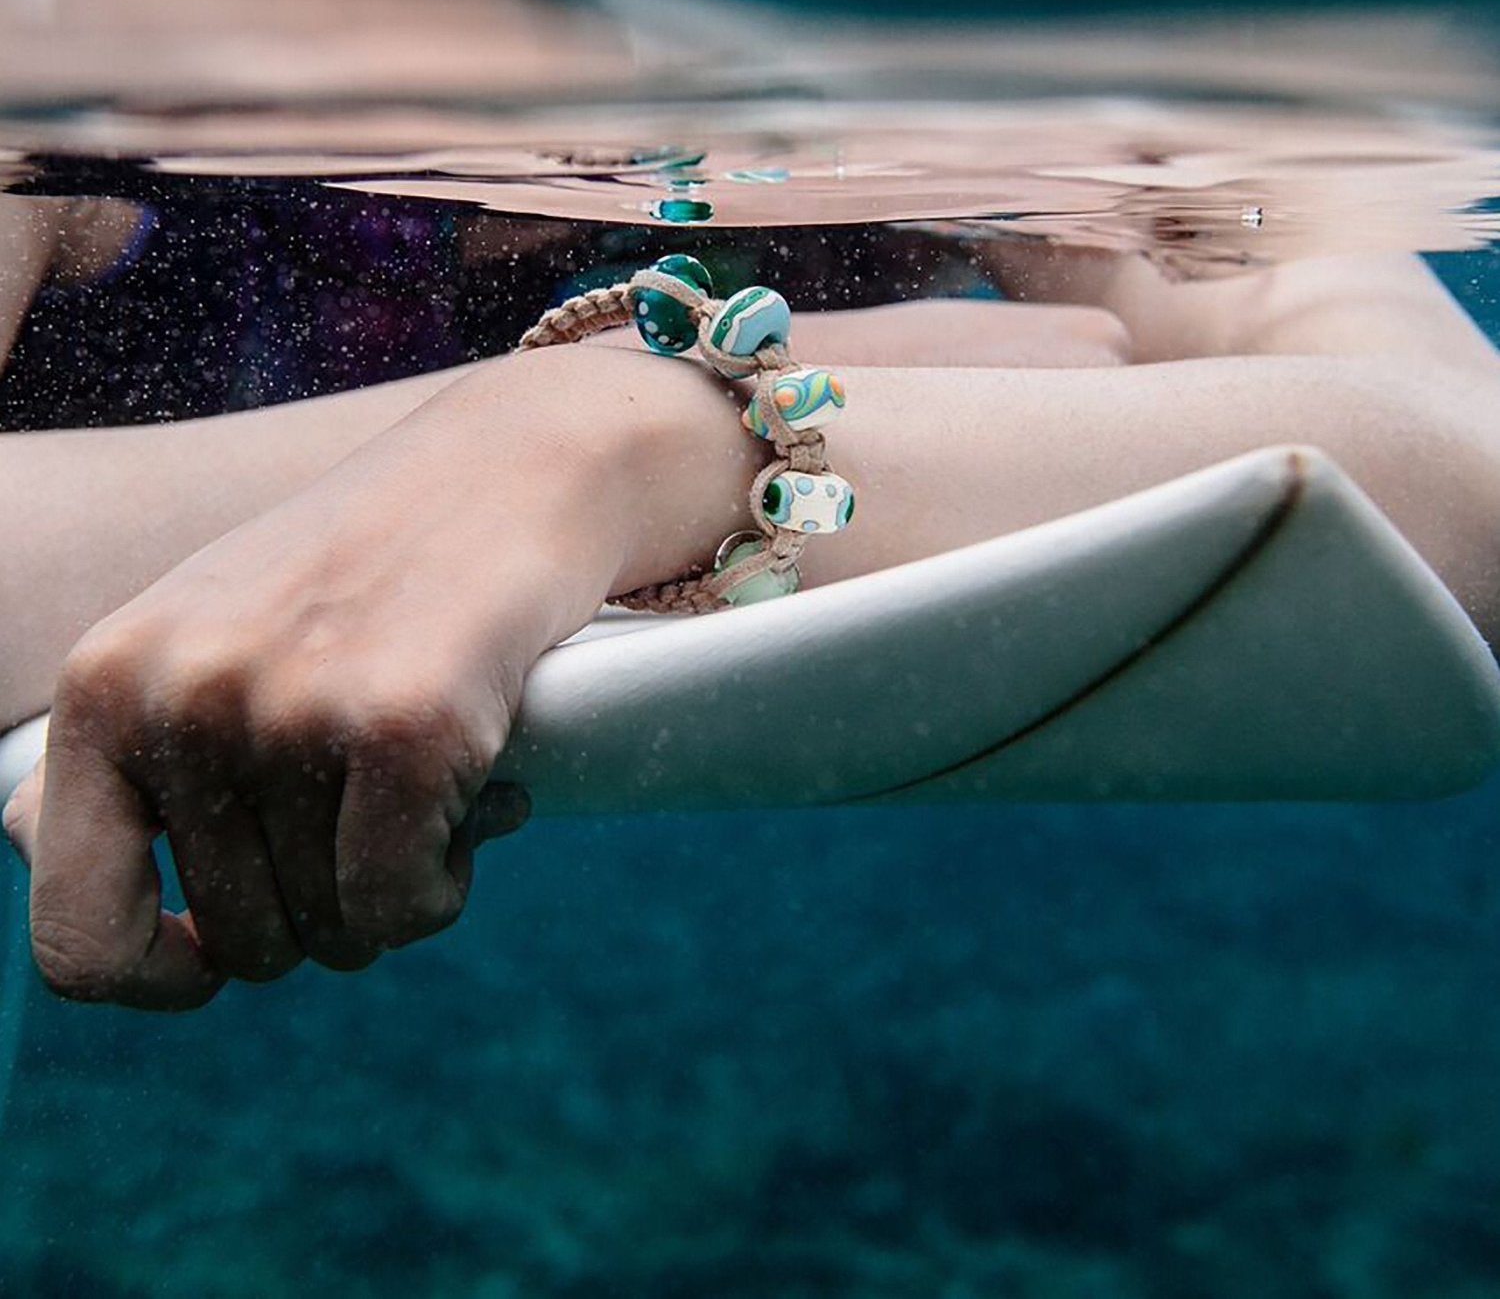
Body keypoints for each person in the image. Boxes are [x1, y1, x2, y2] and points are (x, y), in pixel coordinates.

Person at [2, 218, 1498, 1011]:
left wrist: (620, 446)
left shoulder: (980, 44)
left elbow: (1472, 488)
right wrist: (819, 397)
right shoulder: (69, 48)